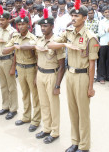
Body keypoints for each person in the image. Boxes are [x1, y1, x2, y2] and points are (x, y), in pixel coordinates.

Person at [48, 0, 99, 152]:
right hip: (69, 75)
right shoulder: (68, 33)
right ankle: (75, 142)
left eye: (77, 16)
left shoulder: (91, 37)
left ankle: (84, 146)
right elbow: (50, 44)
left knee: (83, 113)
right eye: (73, 15)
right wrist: (66, 45)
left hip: (83, 76)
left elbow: (92, 65)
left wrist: (91, 87)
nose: (74, 18)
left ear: (84, 18)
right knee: (72, 111)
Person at [3, 9, 41, 133]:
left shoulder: (33, 38)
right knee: (25, 94)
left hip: (31, 68)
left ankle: (36, 120)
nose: (20, 26)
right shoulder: (15, 37)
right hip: (20, 68)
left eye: (23, 24)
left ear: (28, 25)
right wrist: (14, 46)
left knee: (35, 96)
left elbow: (38, 58)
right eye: (19, 24)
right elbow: (5, 50)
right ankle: (26, 117)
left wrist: (37, 75)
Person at [34, 9, 65, 144]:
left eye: (45, 26)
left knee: (53, 105)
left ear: (52, 26)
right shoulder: (39, 40)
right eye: (41, 26)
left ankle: (55, 131)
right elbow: (37, 59)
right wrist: (36, 76)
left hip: (52, 75)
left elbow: (62, 66)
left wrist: (57, 85)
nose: (43, 28)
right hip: (40, 73)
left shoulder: (56, 42)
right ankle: (46, 128)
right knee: (44, 104)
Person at [0, 5, 18, 120]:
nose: (0, 22)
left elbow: (16, 50)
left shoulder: (12, 32)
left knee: (11, 86)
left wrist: (13, 67)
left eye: (2, 20)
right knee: (3, 85)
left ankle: (13, 108)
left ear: (7, 20)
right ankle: (5, 106)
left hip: (8, 60)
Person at [97, 6, 109, 83]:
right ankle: (101, 77)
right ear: (103, 13)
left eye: (108, 12)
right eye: (105, 12)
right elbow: (99, 34)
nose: (107, 13)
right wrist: (106, 30)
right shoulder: (101, 22)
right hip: (103, 43)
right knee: (102, 61)